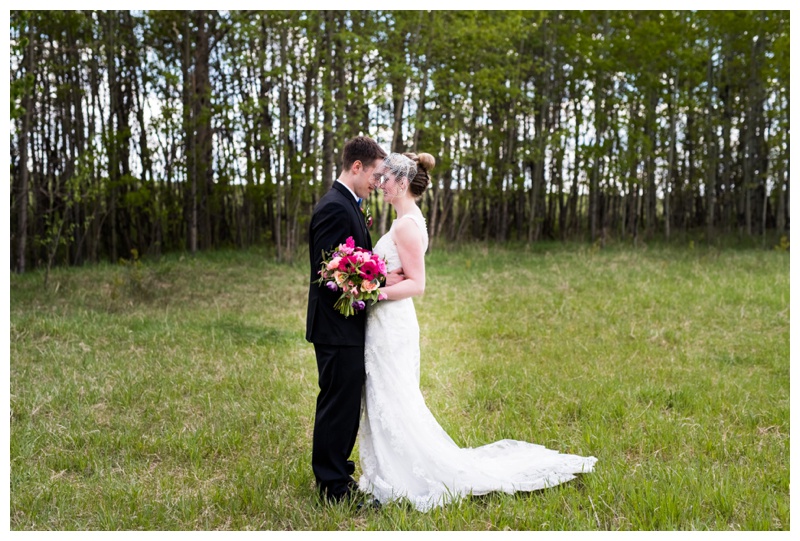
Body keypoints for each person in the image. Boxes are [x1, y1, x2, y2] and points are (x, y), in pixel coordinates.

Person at [357, 152, 598, 512]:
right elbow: (402, 272)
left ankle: (406, 474)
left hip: (392, 322)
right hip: (388, 321)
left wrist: (373, 291)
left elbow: (418, 284)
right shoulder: (404, 219)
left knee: (395, 397)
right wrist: (380, 277)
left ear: (403, 183)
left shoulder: (406, 225)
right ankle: (387, 472)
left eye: (387, 178)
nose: (381, 183)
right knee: (386, 396)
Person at [306, 136, 403, 505]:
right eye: (375, 175)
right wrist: (378, 282)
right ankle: (333, 487)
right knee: (337, 405)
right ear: (357, 167)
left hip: (346, 326)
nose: (378, 183)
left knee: (345, 404)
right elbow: (329, 273)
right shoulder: (334, 207)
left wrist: (377, 277)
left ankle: (337, 477)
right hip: (335, 326)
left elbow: (350, 263)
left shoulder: (351, 204)